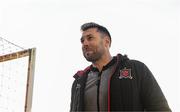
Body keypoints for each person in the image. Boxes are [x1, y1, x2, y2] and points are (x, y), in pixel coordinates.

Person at [70, 22, 171, 112]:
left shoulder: (136, 69)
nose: (85, 44)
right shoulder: (79, 82)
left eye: (90, 38)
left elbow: (159, 107)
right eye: (82, 41)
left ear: (106, 42)